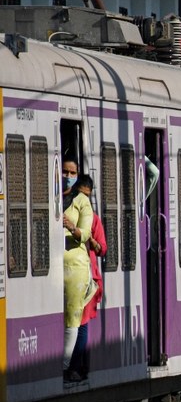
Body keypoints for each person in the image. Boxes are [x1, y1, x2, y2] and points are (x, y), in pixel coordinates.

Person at [65, 175, 107, 381]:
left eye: (87, 195)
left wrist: (88, 236)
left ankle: (74, 366)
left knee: (80, 324)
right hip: (68, 272)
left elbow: (102, 248)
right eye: (80, 194)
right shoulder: (65, 212)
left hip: (86, 277)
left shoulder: (94, 218)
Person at [61, 158, 94, 383]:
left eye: (72, 172)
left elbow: (86, 233)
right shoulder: (54, 198)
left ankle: (63, 367)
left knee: (73, 316)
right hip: (54, 264)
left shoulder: (82, 201)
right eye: (64, 171)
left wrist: (72, 227)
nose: (67, 175)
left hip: (75, 266)